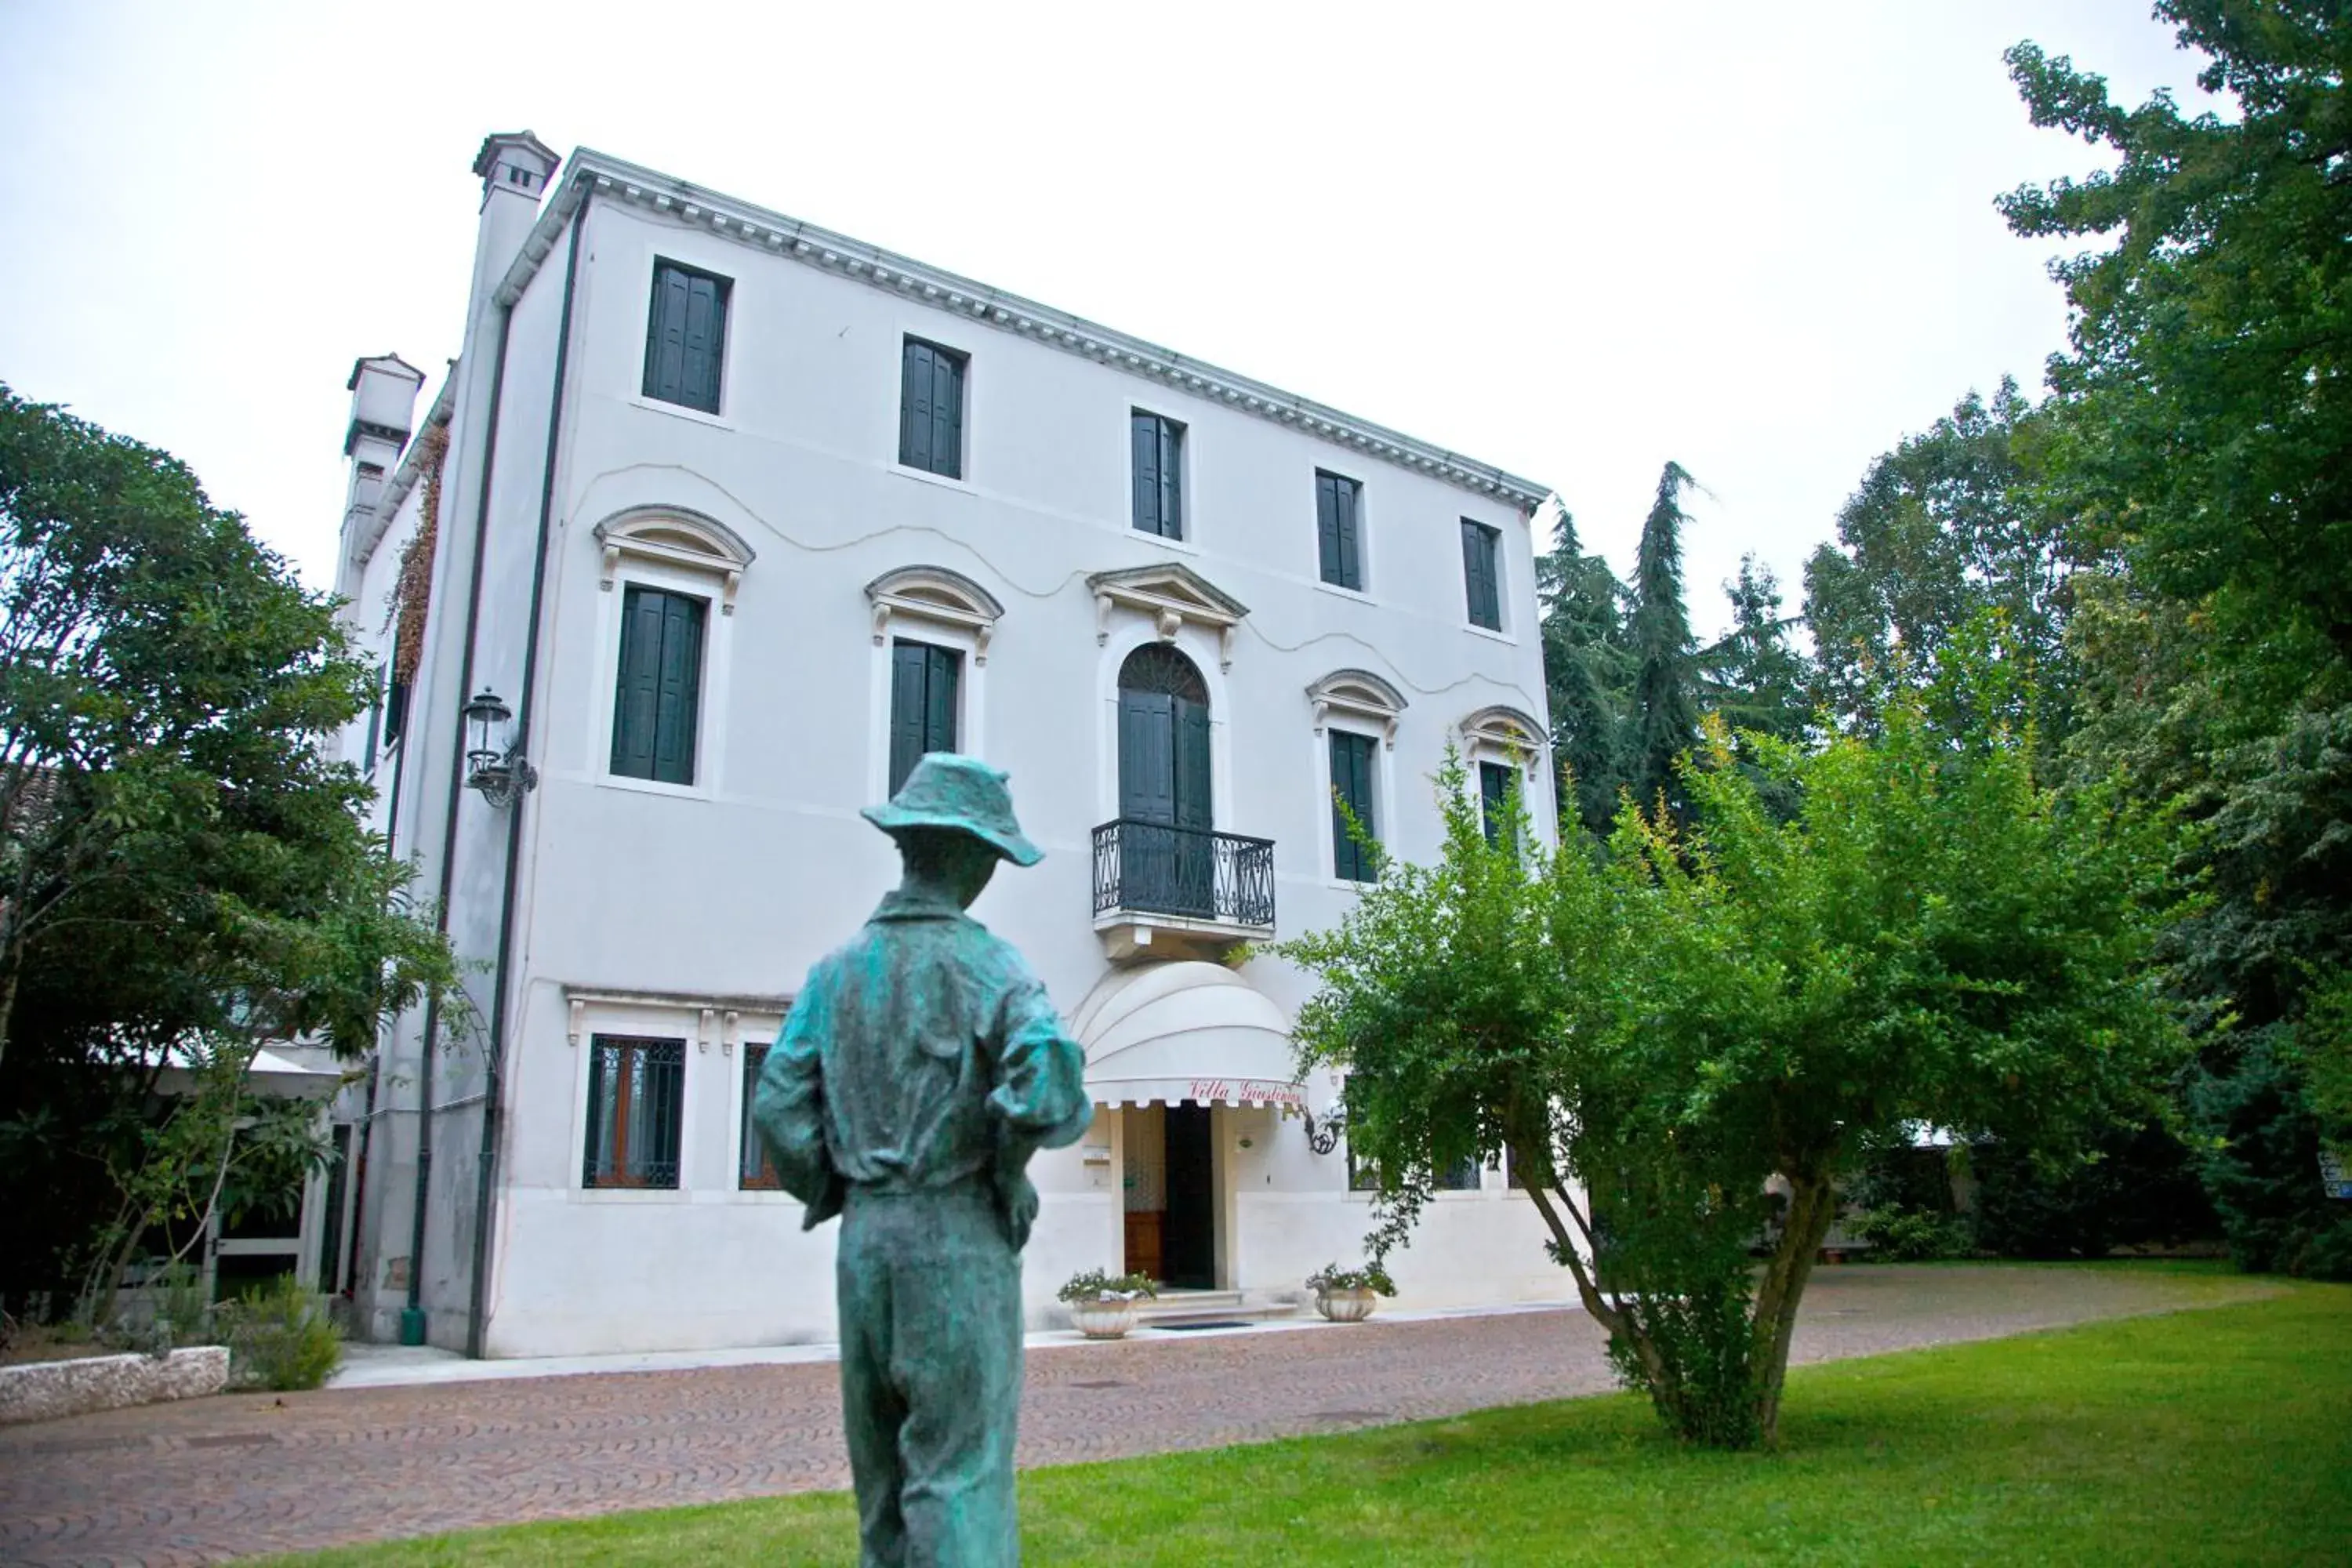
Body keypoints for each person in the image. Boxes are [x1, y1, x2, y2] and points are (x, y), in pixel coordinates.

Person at [754, 753, 1093, 1567]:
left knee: (883, 1490)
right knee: (957, 1480)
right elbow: (1047, 1077)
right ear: (974, 857)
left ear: (909, 847)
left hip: (866, 1246)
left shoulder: (833, 974)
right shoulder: (993, 966)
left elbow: (776, 1102)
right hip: (958, 1237)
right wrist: (1007, 1168)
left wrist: (838, 1183)